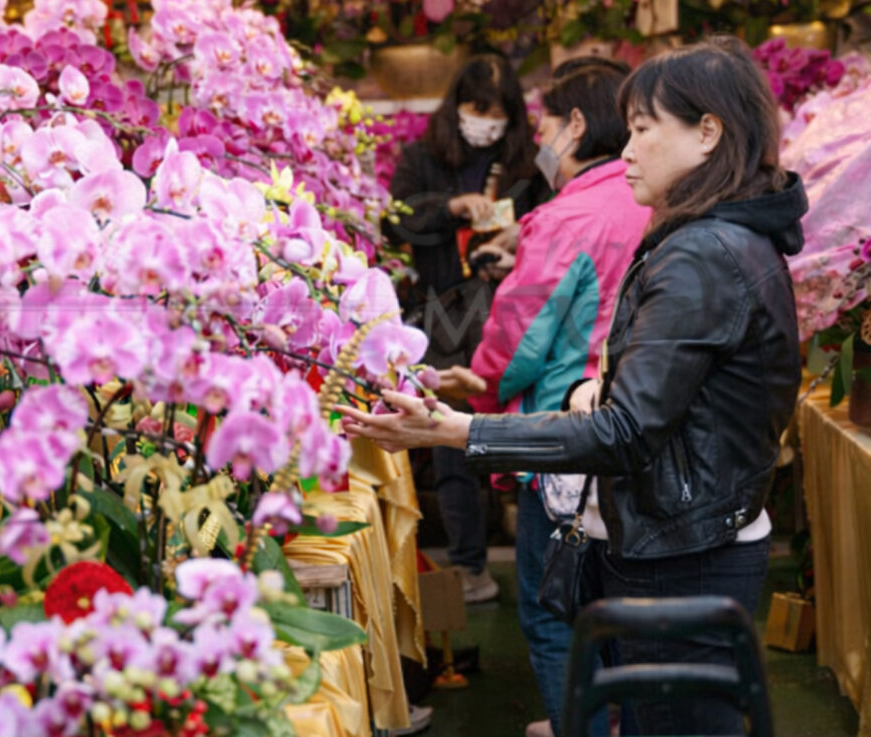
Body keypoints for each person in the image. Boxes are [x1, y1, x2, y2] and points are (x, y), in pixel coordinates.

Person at [341, 38, 807, 736]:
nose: (628, 150)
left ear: (707, 132)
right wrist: (607, 384)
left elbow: (627, 432)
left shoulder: (704, 253)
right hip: (701, 527)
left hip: (683, 546)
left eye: (646, 127)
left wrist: (458, 429)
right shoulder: (726, 235)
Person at [443, 58, 652, 737]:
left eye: (546, 125)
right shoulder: (649, 195)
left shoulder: (569, 214)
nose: (541, 140)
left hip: (566, 437)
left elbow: (519, 337)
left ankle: (580, 725)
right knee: (619, 600)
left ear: (578, 125)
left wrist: (474, 386)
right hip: (638, 424)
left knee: (554, 604)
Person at [386, 53, 548, 603]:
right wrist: (450, 207)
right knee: (450, 444)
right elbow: (397, 216)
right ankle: (470, 567)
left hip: (516, 315)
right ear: (457, 106)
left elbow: (554, 219)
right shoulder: (423, 158)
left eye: (497, 112)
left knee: (525, 439)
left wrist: (518, 235)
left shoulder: (529, 164)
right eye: (478, 109)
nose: (487, 121)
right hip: (442, 316)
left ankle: (535, 563)